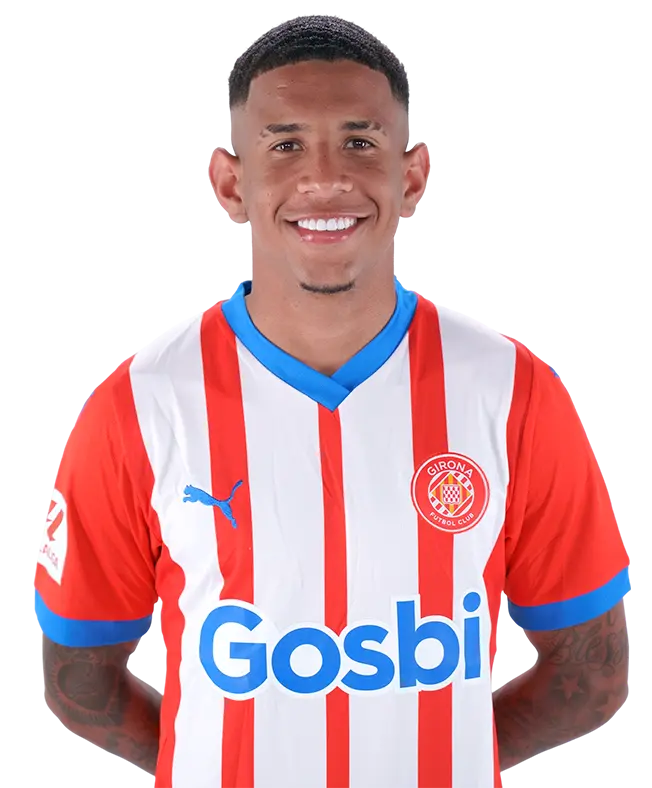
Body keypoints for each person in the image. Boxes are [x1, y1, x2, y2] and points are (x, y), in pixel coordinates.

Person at [34, 14, 629, 788]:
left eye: (360, 142)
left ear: (412, 176)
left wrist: (442, 760)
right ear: (230, 183)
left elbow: (594, 673)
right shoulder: (139, 407)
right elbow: (76, 681)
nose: (325, 178)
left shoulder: (512, 390)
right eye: (285, 145)